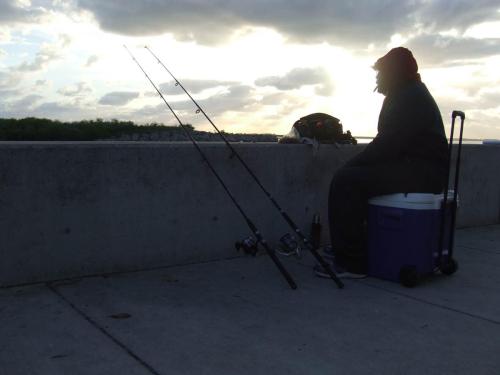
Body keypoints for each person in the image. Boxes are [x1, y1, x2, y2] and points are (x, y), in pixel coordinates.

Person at [315, 47, 448, 278]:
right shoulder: (407, 93)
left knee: (346, 181)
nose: (377, 78)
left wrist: (350, 166)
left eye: (381, 72)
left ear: (394, 73)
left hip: (422, 173)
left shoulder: (410, 97)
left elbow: (387, 145)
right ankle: (352, 248)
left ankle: (351, 263)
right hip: (416, 168)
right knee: (353, 178)